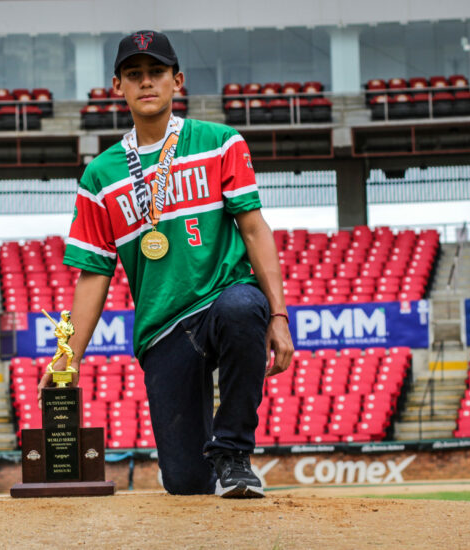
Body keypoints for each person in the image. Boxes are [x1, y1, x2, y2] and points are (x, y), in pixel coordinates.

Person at [38, 30, 293, 498]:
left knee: (242, 309)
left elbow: (255, 230)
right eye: (134, 75)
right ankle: (202, 470)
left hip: (223, 296)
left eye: (156, 72)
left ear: (178, 80)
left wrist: (278, 315)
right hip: (163, 326)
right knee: (187, 484)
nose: (146, 82)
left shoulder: (220, 143)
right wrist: (68, 354)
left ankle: (234, 454)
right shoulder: (101, 175)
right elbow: (94, 272)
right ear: (118, 87)